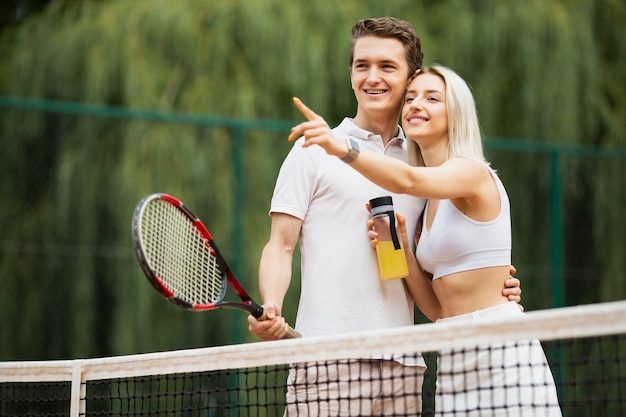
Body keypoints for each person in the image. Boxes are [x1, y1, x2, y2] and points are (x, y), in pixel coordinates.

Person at [249, 18, 522, 416]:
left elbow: (445, 260)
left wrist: (493, 290)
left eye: (387, 66)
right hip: (329, 360)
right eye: (362, 65)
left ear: (411, 77)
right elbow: (280, 244)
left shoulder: (424, 167)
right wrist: (272, 305)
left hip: (405, 367)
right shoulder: (314, 148)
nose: (372, 77)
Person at [290, 65, 562, 416]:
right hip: (450, 351)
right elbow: (436, 308)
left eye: (432, 98)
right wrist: (401, 246)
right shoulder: (431, 202)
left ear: (456, 113)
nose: (417, 104)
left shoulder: (473, 173)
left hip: (498, 349)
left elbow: (406, 180)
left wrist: (340, 147)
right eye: (411, 97)